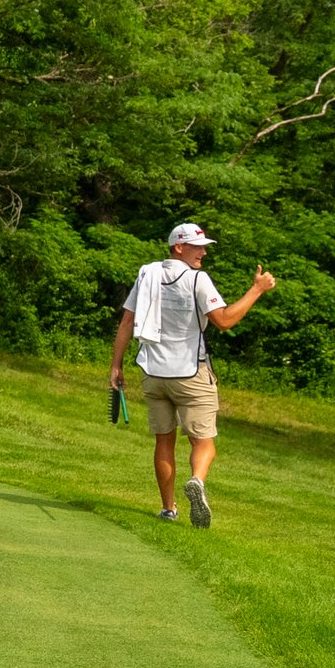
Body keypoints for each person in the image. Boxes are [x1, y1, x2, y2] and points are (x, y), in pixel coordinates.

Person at [108, 222, 278, 528]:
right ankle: (197, 481)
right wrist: (257, 290)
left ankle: (168, 509)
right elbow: (224, 321)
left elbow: (127, 322)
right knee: (203, 442)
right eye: (197, 247)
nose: (203, 253)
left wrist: (116, 366)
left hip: (153, 372)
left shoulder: (147, 274)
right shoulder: (198, 279)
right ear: (178, 247)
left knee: (164, 441)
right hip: (190, 373)